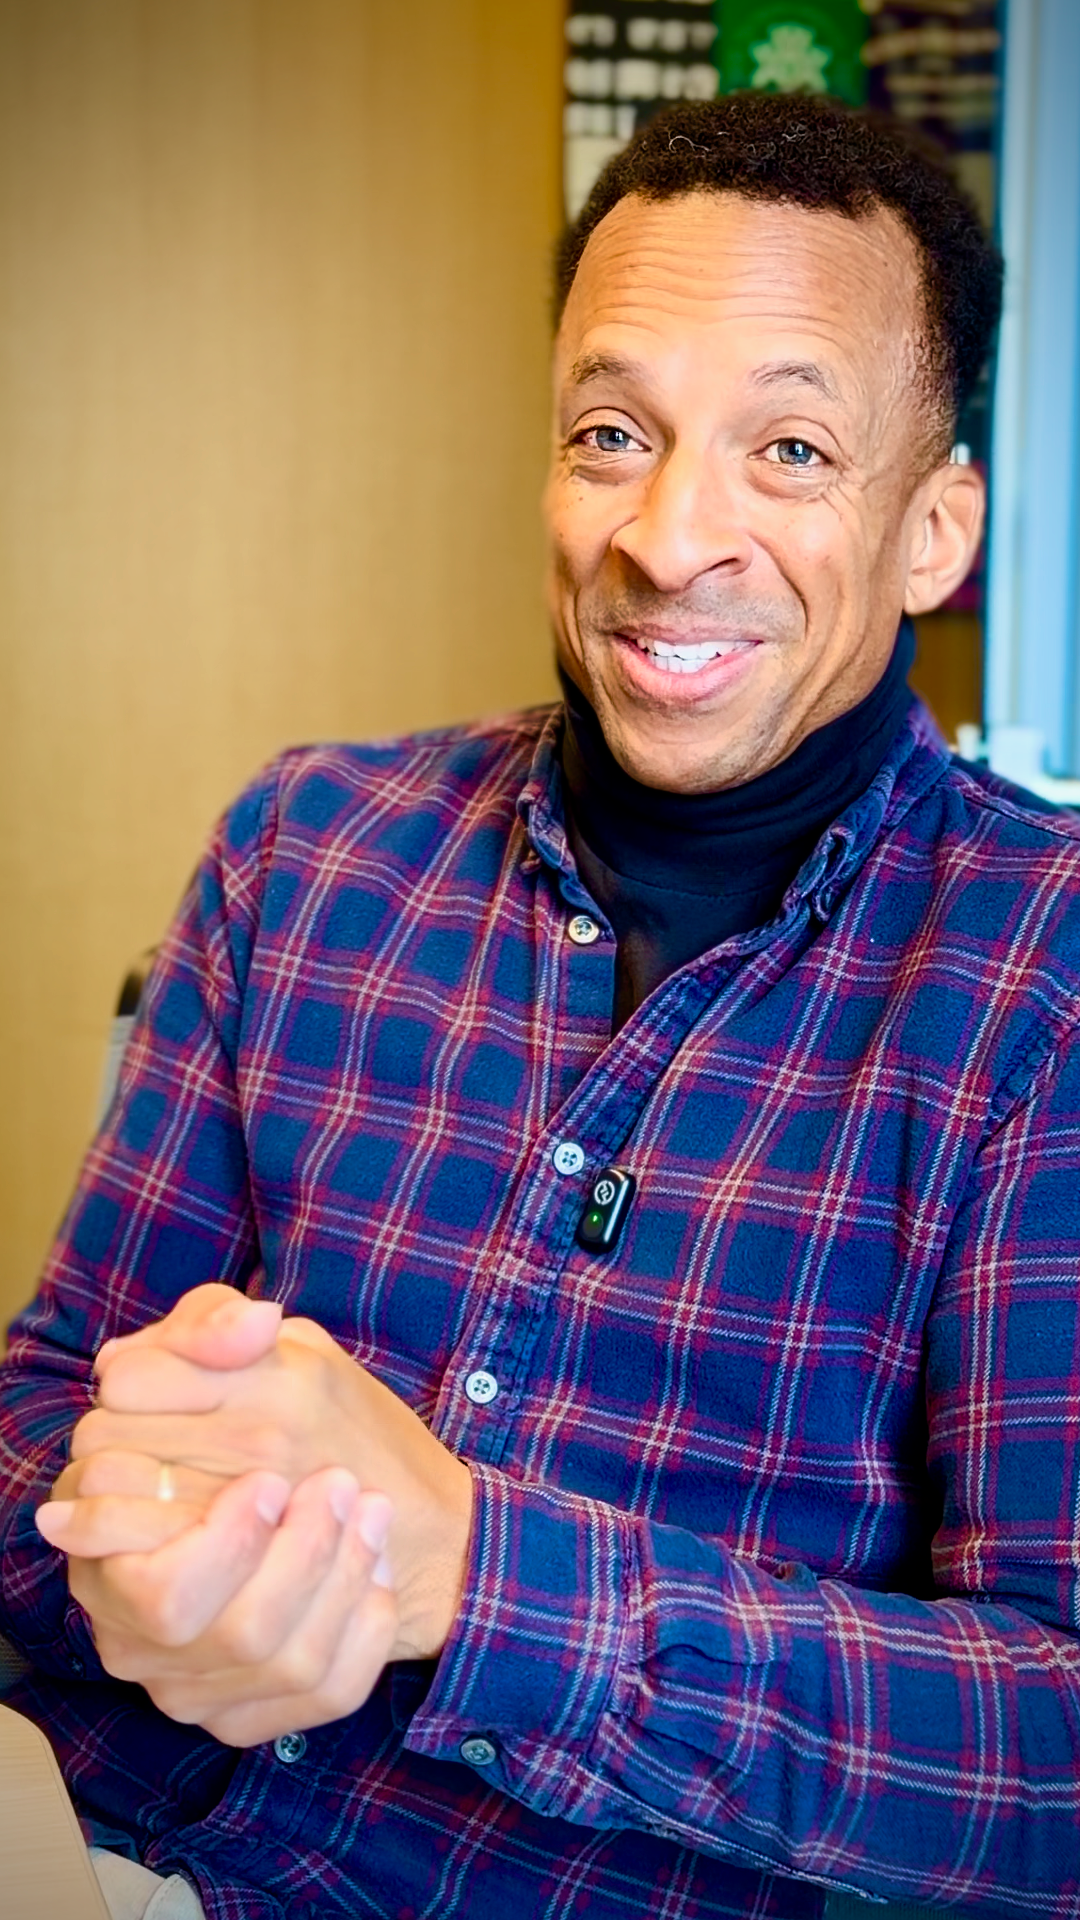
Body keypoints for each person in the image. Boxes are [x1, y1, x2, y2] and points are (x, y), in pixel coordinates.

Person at [0, 88, 1076, 1920]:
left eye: (791, 450)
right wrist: (129, 1541)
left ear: (933, 529)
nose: (667, 537)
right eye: (612, 433)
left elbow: (1048, 1757)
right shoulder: (306, 848)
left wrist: (462, 1570)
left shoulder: (1039, 975)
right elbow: (39, 1406)